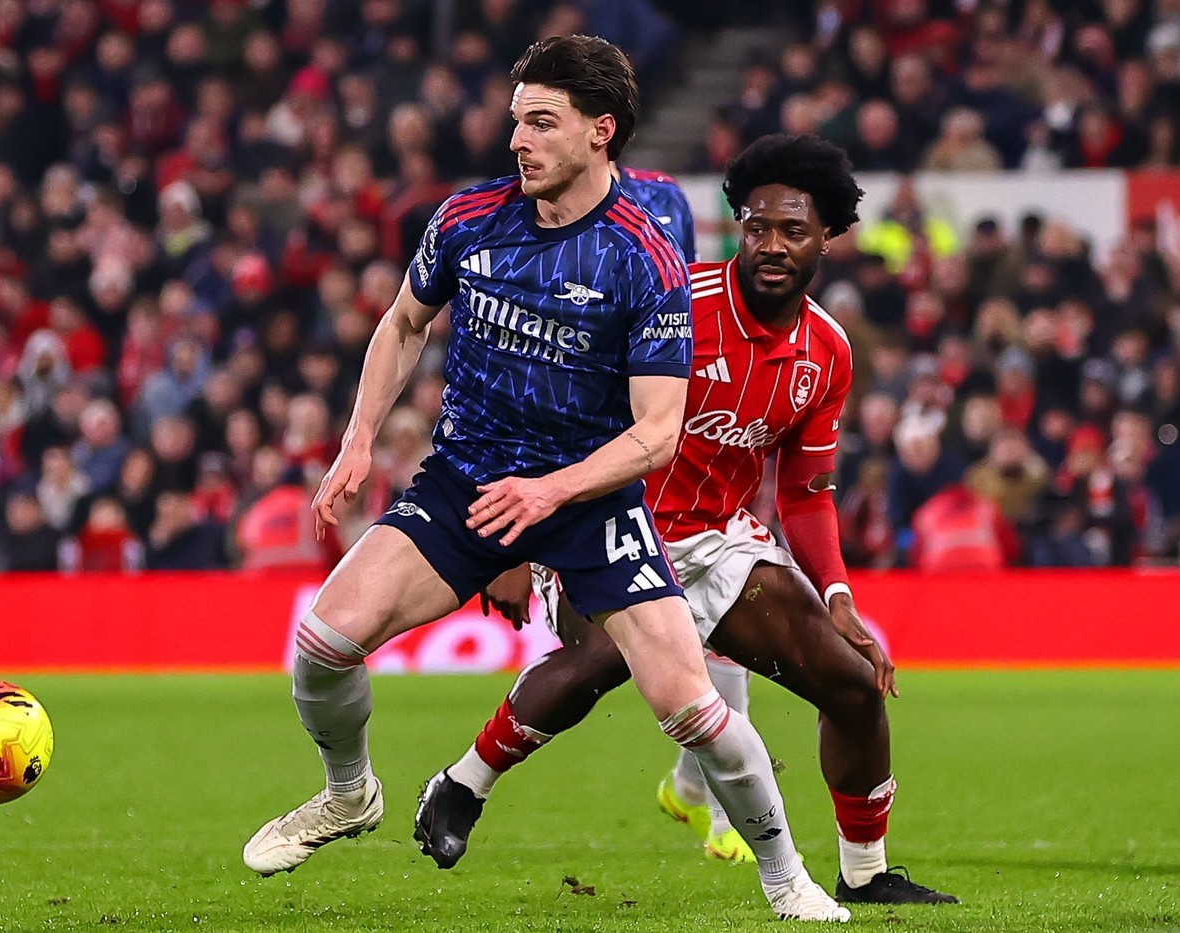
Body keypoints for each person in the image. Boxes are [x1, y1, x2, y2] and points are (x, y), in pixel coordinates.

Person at [242, 37, 849, 923]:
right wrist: (359, 437)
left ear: (600, 132)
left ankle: (788, 879)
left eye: (541, 122)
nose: (517, 140)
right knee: (322, 643)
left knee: (691, 705)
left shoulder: (644, 258)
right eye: (516, 120)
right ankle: (348, 793)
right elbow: (405, 322)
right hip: (466, 481)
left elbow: (656, 434)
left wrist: (550, 493)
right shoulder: (467, 218)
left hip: (591, 503)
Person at [414, 134, 957, 906]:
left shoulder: (827, 352)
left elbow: (805, 492)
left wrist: (837, 595)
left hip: (716, 541)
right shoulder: (671, 301)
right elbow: (546, 407)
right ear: (737, 229)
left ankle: (865, 873)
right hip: (604, 528)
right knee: (606, 658)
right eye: (757, 228)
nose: (771, 245)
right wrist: (514, 545)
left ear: (827, 238)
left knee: (853, 682)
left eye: (792, 230)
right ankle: (463, 783)